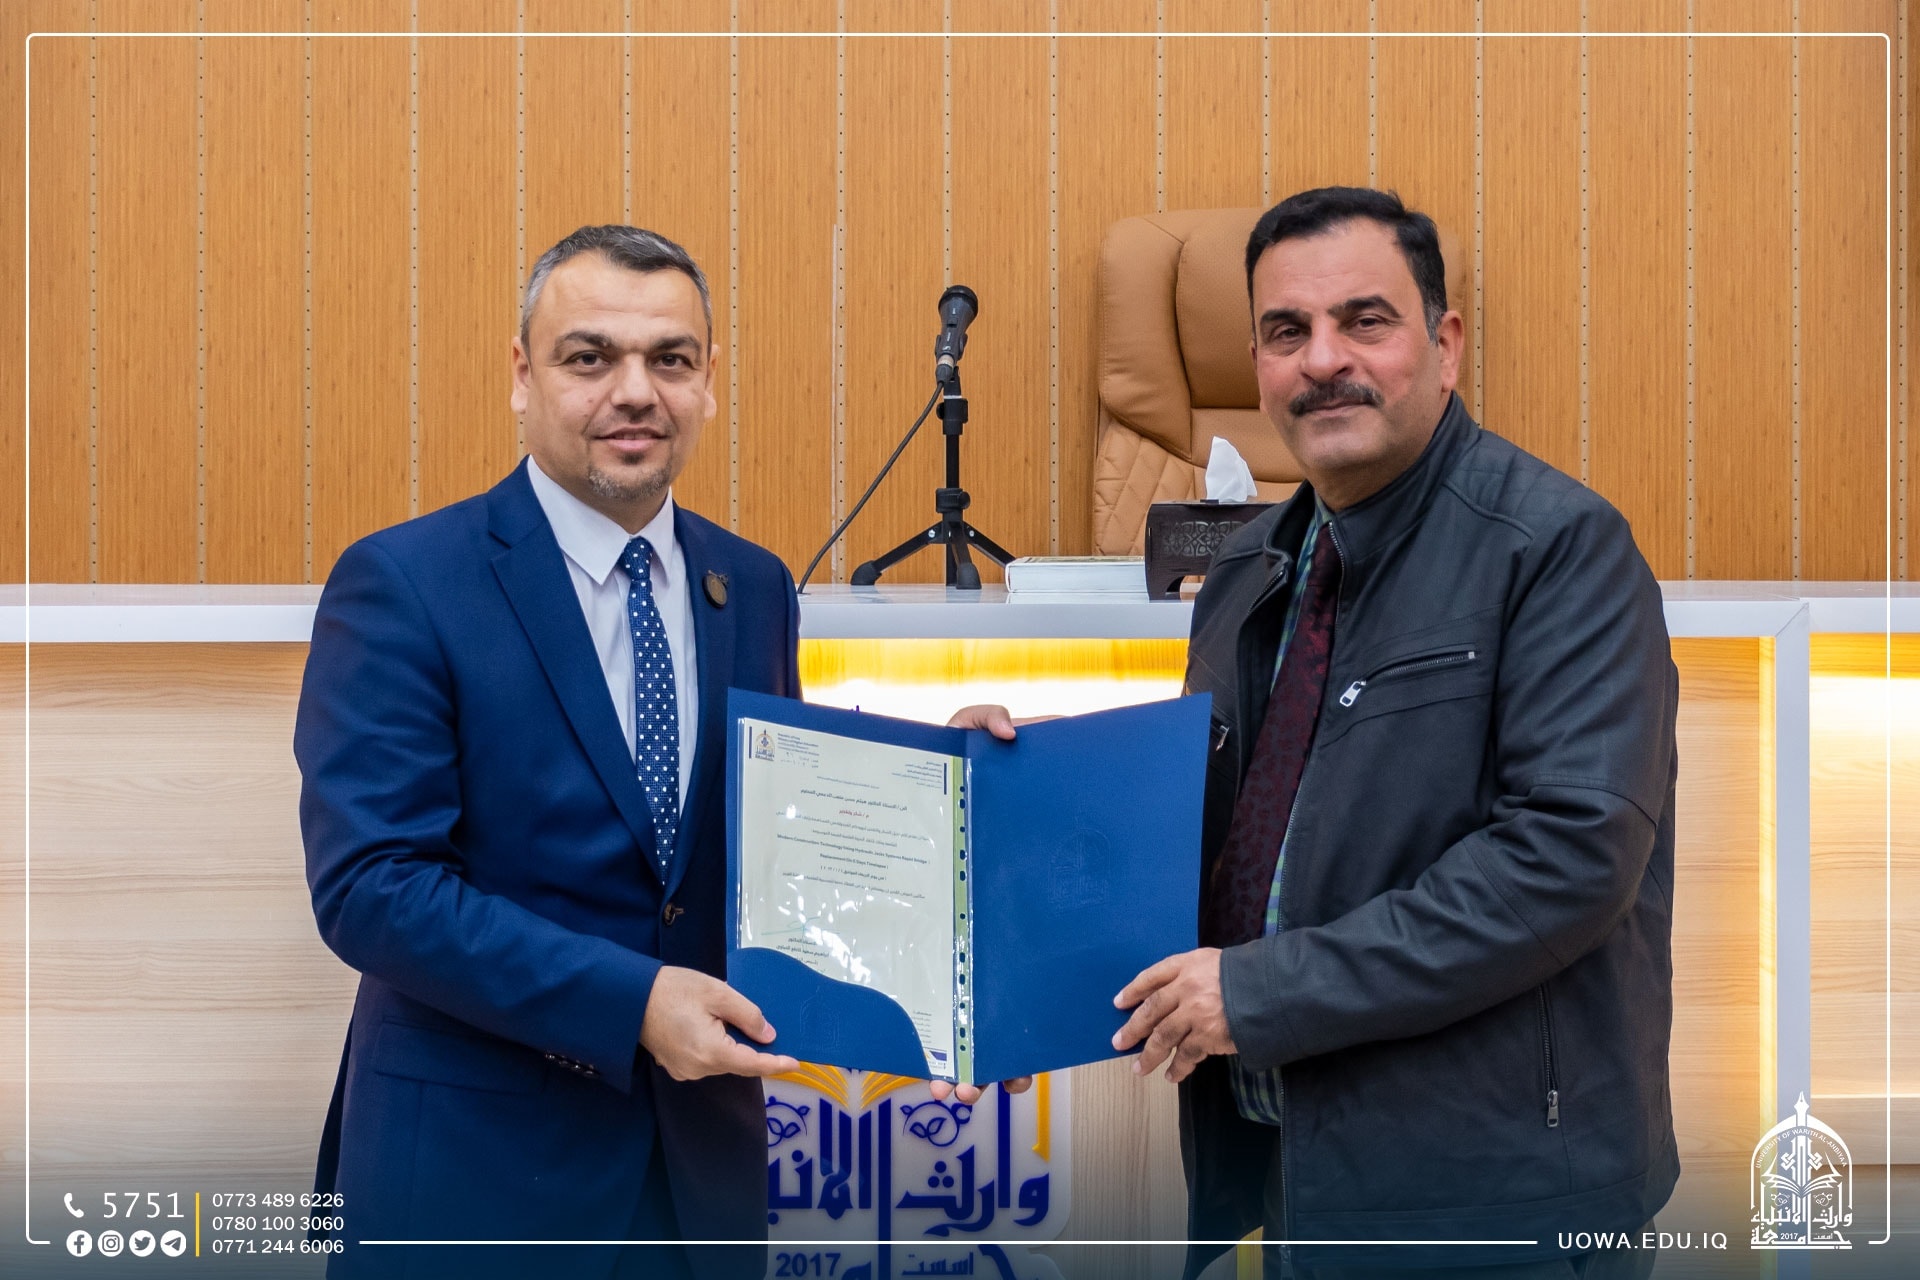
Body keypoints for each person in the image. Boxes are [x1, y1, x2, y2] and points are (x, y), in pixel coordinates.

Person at [966, 186, 1680, 1278]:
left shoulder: (1557, 549)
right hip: (1293, 1180)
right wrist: (1036, 783)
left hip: (1497, 1205)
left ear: (1445, 345)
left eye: (1365, 320)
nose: (1324, 359)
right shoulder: (1248, 570)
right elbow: (1234, 815)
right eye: (1286, 331)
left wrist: (1260, 995)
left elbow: (1568, 857)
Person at [295, 225, 802, 1280]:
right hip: (474, 1177)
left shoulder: (752, 585)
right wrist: (634, 1003)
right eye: (590, 357)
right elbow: (373, 888)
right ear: (523, 376)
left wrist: (944, 780)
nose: (636, 391)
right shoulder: (405, 581)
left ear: (709, 381)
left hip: (695, 1182)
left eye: (671, 359)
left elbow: (768, 831)